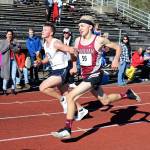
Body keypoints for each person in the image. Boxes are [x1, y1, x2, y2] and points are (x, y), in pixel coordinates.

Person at [51, 15, 141, 139]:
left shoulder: (99, 40)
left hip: (95, 75)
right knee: (105, 101)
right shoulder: (77, 40)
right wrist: (73, 65)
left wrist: (115, 60)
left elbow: (118, 47)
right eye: (78, 26)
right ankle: (127, 94)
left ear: (90, 27)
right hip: (85, 76)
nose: (80, 28)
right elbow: (75, 55)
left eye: (82, 25)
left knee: (71, 96)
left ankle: (67, 129)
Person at [0, 30, 20, 95]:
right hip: (6, 61)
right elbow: (1, 51)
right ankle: (4, 89)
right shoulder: (3, 42)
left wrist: (12, 46)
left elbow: (18, 50)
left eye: (11, 34)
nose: (10, 35)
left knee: (13, 76)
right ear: (6, 35)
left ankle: (13, 89)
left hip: (14, 61)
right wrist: (8, 46)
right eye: (8, 34)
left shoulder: (14, 42)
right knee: (6, 76)